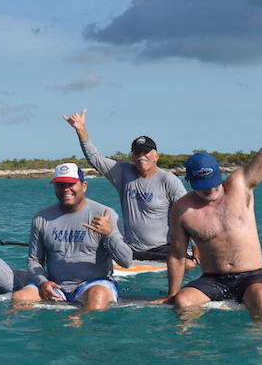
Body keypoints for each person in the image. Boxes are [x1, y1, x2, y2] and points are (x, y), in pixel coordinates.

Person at [63, 109, 188, 260]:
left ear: (156, 156)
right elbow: (95, 158)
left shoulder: (169, 180)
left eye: (146, 152)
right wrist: (81, 130)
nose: (141, 156)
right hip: (130, 249)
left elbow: (187, 215)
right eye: (137, 153)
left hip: (162, 250)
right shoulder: (122, 172)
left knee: (187, 265)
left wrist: (194, 244)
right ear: (132, 156)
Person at [11, 163, 134, 312]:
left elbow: (126, 261)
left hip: (93, 284)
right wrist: (43, 282)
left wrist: (109, 234)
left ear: (84, 186)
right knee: (19, 298)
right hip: (55, 286)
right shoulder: (41, 218)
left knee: (97, 297)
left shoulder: (105, 214)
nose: (65, 190)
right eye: (60, 185)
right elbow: (34, 260)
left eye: (71, 184)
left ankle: (77, 324)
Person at [162, 151, 262, 319]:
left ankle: (255, 344)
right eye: (203, 185)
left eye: (213, 182)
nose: (210, 189)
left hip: (251, 276)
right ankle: (194, 344)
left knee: (261, 297)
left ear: (220, 174)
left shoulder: (240, 184)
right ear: (189, 181)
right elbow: (177, 254)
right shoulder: (182, 209)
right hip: (213, 280)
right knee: (182, 301)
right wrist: (171, 294)